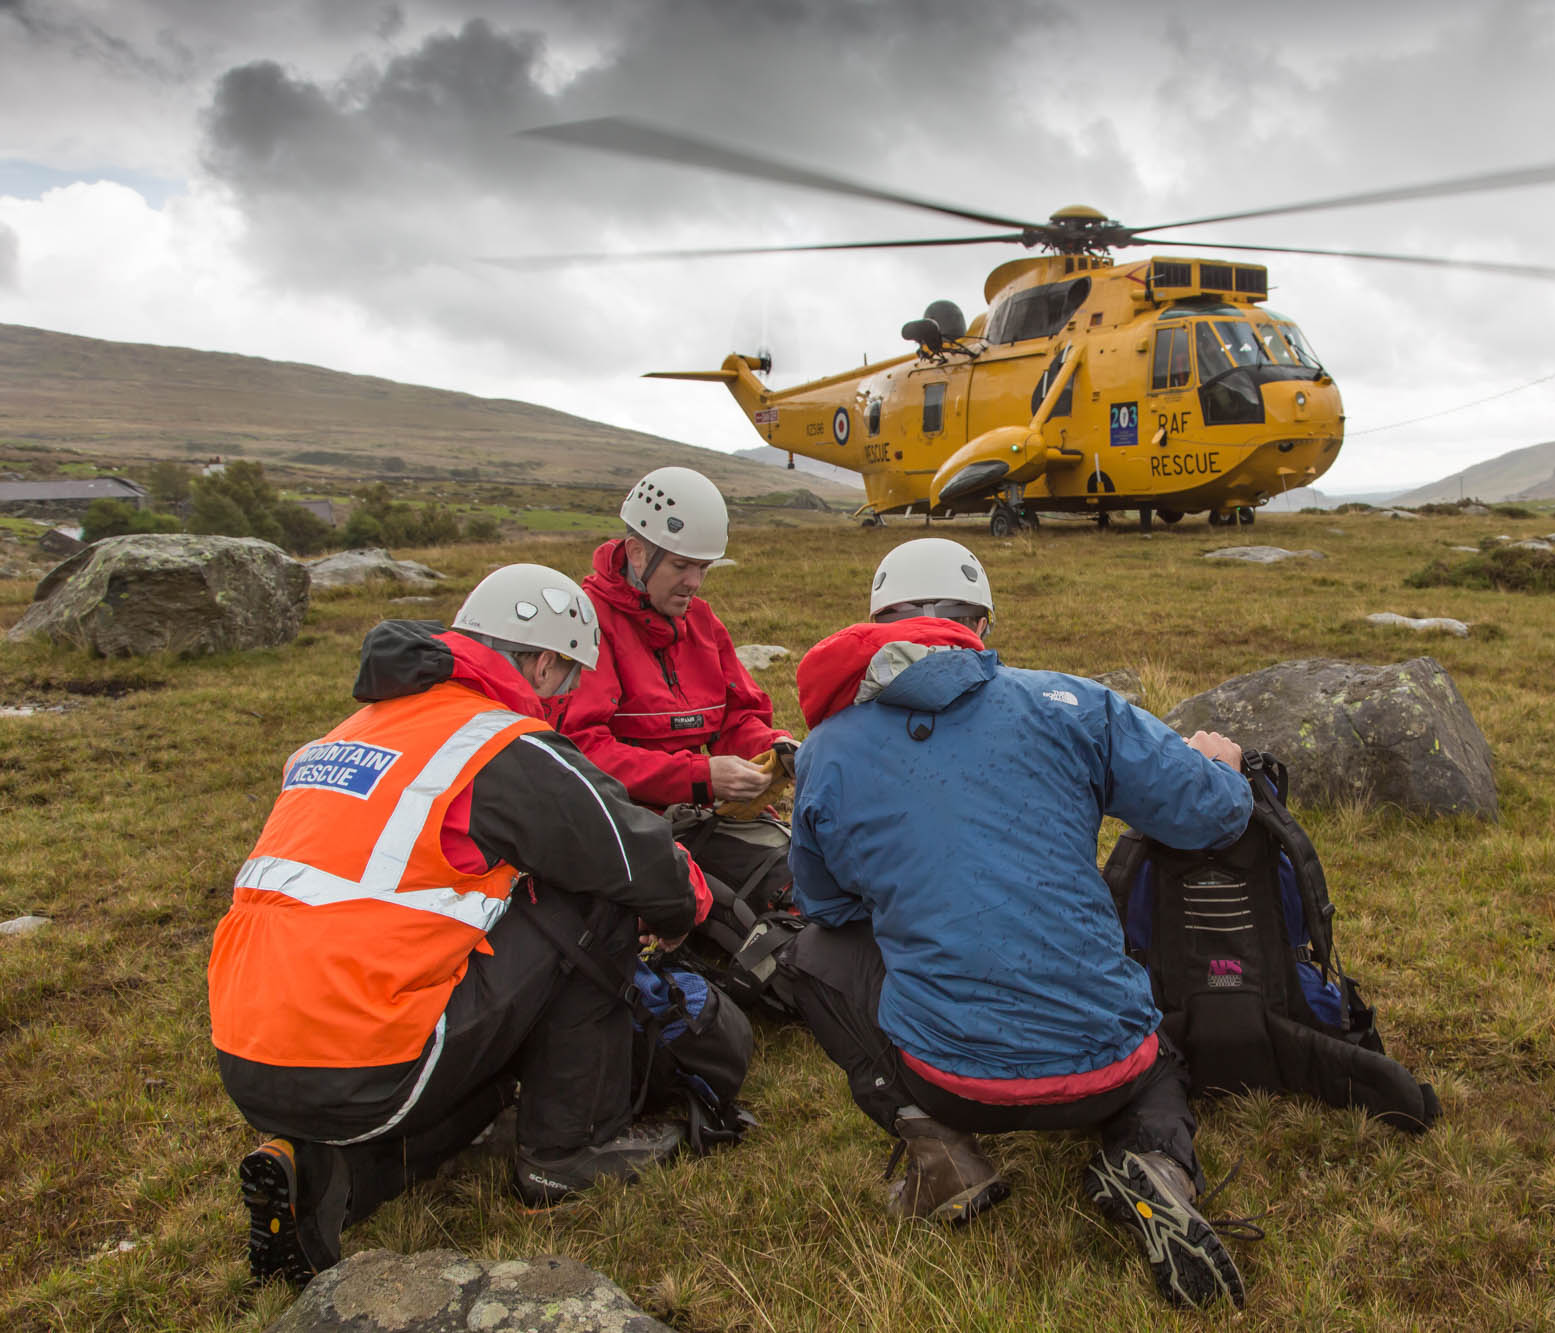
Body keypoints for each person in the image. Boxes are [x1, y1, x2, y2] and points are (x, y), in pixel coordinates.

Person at [783, 538, 1258, 1310]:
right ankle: (1156, 1163)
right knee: (1151, 1061)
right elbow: (1210, 814)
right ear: (978, 622)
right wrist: (1219, 766)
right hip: (1108, 1071)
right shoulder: (1072, 703)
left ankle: (934, 1142)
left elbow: (829, 908)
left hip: (951, 1081)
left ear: (875, 625)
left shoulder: (826, 750)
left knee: (810, 952)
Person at [209, 565, 713, 1285]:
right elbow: (631, 853)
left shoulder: (357, 728)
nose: (561, 699)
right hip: (367, 1054)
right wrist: (690, 905)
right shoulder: (498, 742)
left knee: (477, 1051)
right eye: (564, 680)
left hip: (251, 1052)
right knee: (584, 905)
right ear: (541, 659)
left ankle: (325, 1173)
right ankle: (566, 1155)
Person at [558, 466, 796, 912]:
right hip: (620, 825)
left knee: (800, 869)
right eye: (681, 565)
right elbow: (582, 752)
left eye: (702, 567)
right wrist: (700, 777)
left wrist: (773, 746)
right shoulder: (586, 625)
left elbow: (736, 716)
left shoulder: (702, 623)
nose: (694, 582)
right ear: (636, 552)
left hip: (694, 813)